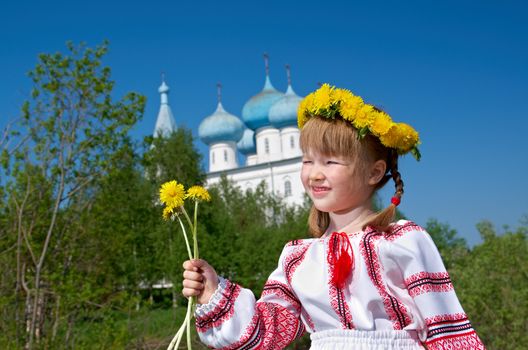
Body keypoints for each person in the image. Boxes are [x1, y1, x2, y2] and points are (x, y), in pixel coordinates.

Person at [182, 84, 485, 349]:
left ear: (374, 172)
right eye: (307, 160)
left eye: (330, 161)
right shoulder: (298, 258)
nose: (315, 173)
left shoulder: (401, 242)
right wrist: (213, 292)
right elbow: (267, 332)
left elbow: (446, 329)